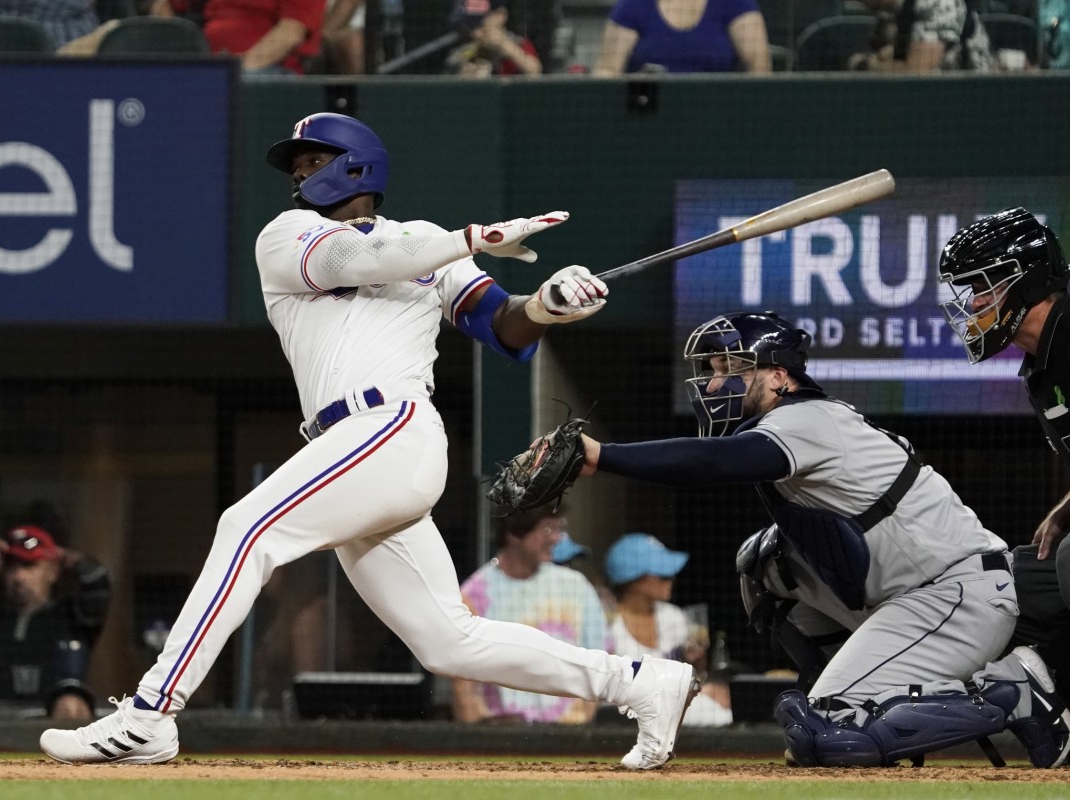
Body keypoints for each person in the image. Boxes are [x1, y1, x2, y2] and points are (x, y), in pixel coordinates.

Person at [39, 111, 699, 770]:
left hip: (392, 429)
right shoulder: (289, 235)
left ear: (357, 162)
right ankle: (640, 682)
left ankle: (152, 713)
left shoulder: (429, 242)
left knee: (248, 530)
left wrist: (549, 305)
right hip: (350, 446)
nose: (300, 174)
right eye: (297, 164)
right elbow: (354, 259)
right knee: (448, 641)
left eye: (313, 159)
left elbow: (503, 324)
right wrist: (470, 238)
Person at [565, 310, 1070, 767]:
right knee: (766, 564)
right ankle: (853, 694)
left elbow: (711, 463)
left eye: (732, 368)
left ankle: (1016, 693)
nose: (715, 382)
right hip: (908, 599)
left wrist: (601, 456)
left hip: (956, 593)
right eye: (713, 370)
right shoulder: (794, 419)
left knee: (831, 737)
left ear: (780, 376)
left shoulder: (806, 419)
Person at [938, 207, 1070, 769]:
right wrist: (1068, 509)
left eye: (980, 288)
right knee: (1011, 581)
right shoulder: (1043, 363)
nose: (970, 304)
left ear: (1026, 279)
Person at [452, 508, 611, 724]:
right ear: (515, 533)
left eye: (558, 528)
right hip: (501, 737)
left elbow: (599, 664)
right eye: (547, 529)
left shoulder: (576, 586)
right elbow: (463, 683)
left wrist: (583, 725)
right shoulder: (474, 594)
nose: (556, 538)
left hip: (569, 735)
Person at [0, 524, 111, 720]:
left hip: (47, 727)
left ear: (53, 572)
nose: (18, 577)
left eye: (29, 565)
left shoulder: (71, 617)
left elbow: (97, 579)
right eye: (11, 566)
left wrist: (59, 554)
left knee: (72, 703)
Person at [605, 533, 732, 727]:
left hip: (671, 709)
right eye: (662, 574)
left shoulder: (672, 617)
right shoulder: (608, 624)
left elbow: (693, 676)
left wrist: (697, 664)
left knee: (727, 705)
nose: (671, 578)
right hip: (623, 718)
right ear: (635, 580)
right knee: (720, 717)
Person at [593, 0, 771, 75]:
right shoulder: (634, 5)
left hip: (715, 117)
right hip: (647, 116)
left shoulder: (734, 3)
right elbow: (607, 70)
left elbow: (760, 68)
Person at [150, 0, 326, 73]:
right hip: (208, 67)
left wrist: (234, 69)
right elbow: (165, 6)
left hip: (266, 70)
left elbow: (291, 32)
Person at [847, 0, 995, 72]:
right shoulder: (886, 12)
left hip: (966, 98)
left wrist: (866, 65)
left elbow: (918, 72)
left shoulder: (938, 2)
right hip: (913, 103)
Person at [444, 0, 542, 77]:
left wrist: (504, 45)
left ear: (500, 15)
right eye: (470, 26)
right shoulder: (463, 50)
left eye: (480, 24)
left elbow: (535, 71)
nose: (476, 33)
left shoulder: (519, 44)